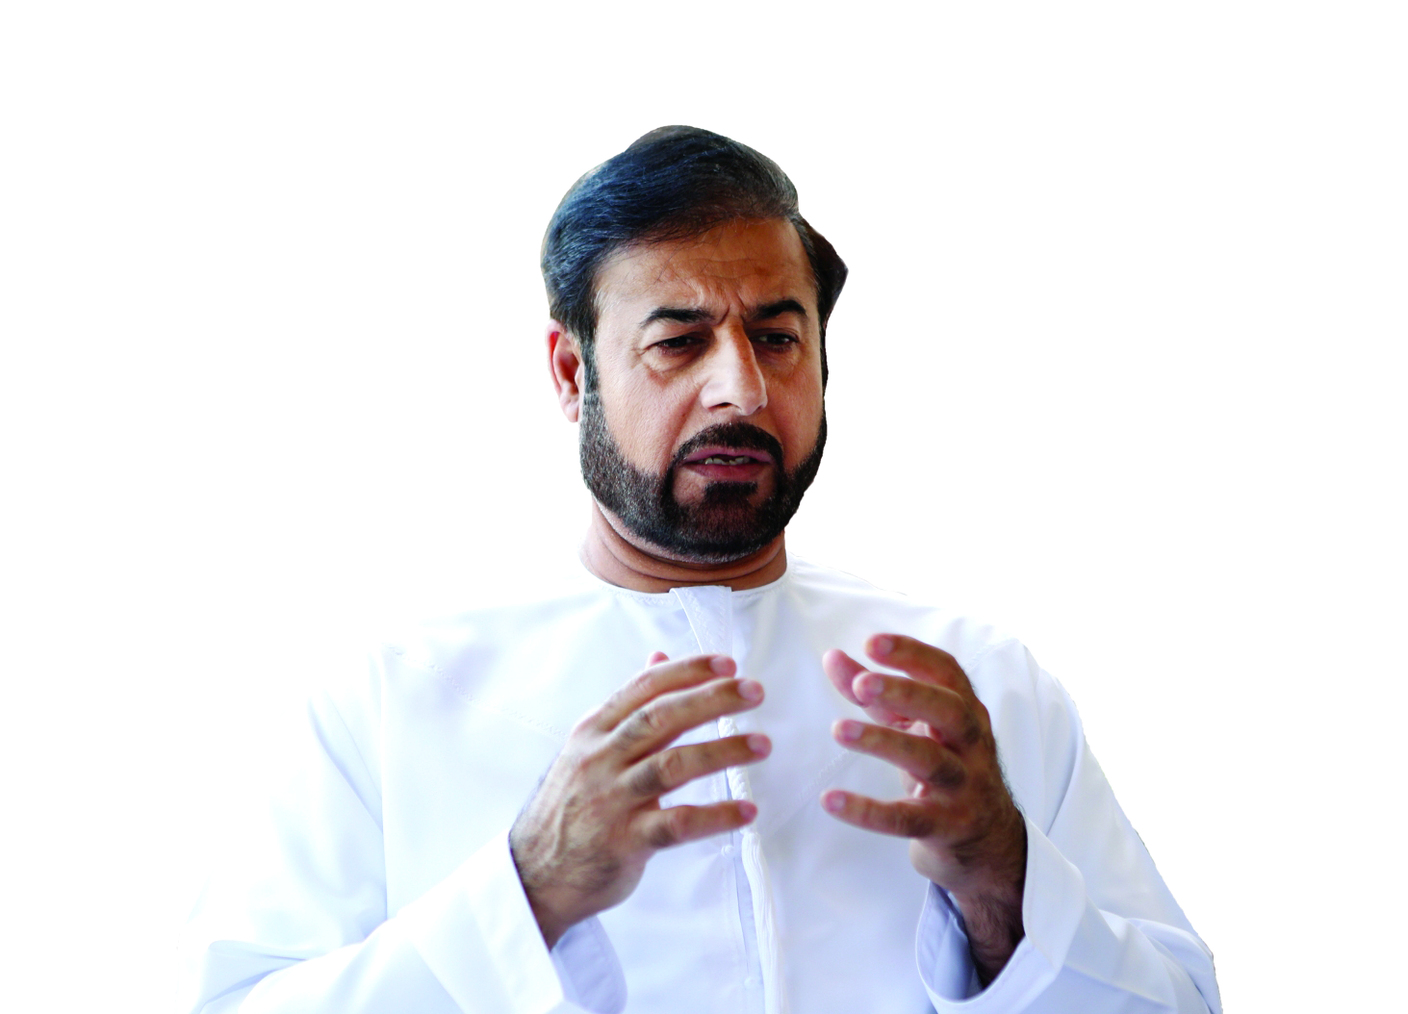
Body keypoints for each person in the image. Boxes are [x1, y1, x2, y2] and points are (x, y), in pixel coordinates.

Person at [180, 126, 1221, 1013]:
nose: (742, 390)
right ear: (572, 372)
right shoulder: (393, 698)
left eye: (778, 337)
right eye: (679, 342)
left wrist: (1004, 879)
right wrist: (527, 891)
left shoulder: (974, 686)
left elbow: (1179, 1002)